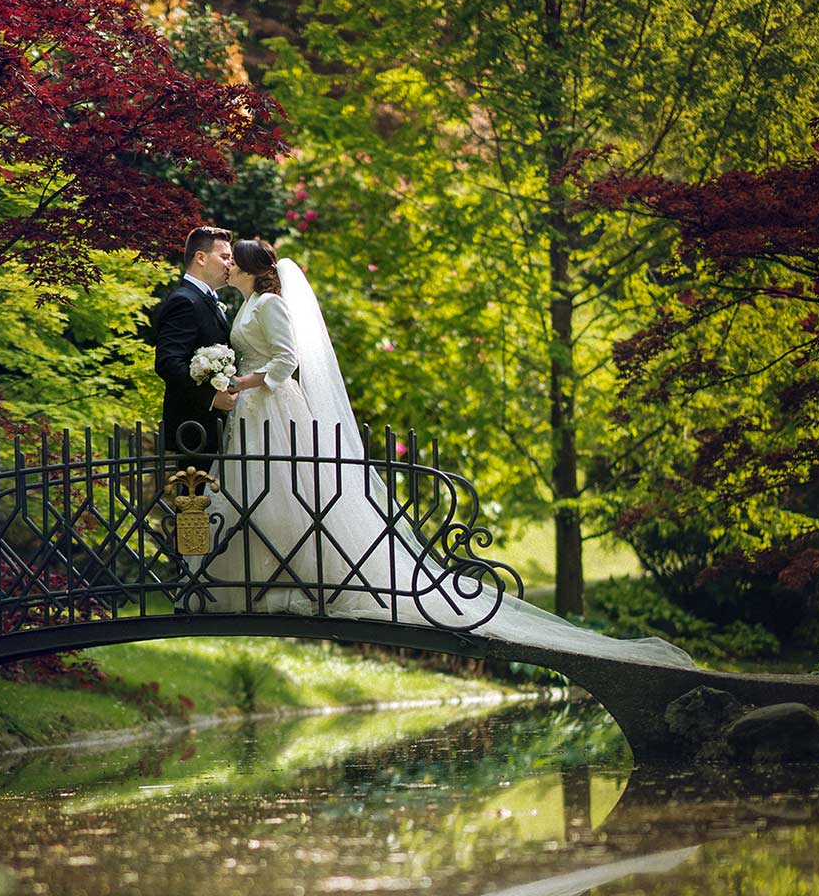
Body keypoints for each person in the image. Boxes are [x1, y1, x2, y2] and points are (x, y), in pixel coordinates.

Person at [204, 237, 697, 671]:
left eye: (232, 261)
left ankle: (306, 586)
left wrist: (245, 380)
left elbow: (286, 360)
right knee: (260, 495)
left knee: (290, 495)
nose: (227, 266)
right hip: (251, 411)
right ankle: (260, 584)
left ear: (247, 267)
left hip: (273, 405)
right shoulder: (246, 303)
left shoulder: (270, 303)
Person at [149, 226, 238, 460]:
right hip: (193, 430)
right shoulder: (184, 301)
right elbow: (168, 362)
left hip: (211, 428)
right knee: (196, 496)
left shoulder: (207, 300)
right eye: (225, 257)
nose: (230, 264)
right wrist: (211, 397)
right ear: (201, 257)